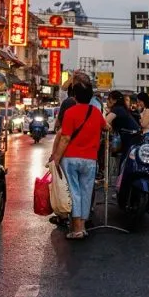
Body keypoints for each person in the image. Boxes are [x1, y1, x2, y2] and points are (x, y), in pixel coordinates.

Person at [50, 82, 107, 239]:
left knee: (73, 191)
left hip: (71, 158)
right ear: (90, 97)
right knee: (86, 191)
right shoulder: (96, 113)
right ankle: (82, 226)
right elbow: (106, 126)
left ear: (74, 97)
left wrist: (56, 158)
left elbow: (66, 138)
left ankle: (76, 229)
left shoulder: (71, 112)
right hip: (90, 159)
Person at [105, 90, 141, 169]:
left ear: (114, 100)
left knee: (124, 162)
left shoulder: (117, 109)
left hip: (130, 139)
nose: (107, 101)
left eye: (109, 99)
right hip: (132, 138)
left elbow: (104, 122)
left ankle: (120, 180)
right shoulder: (121, 108)